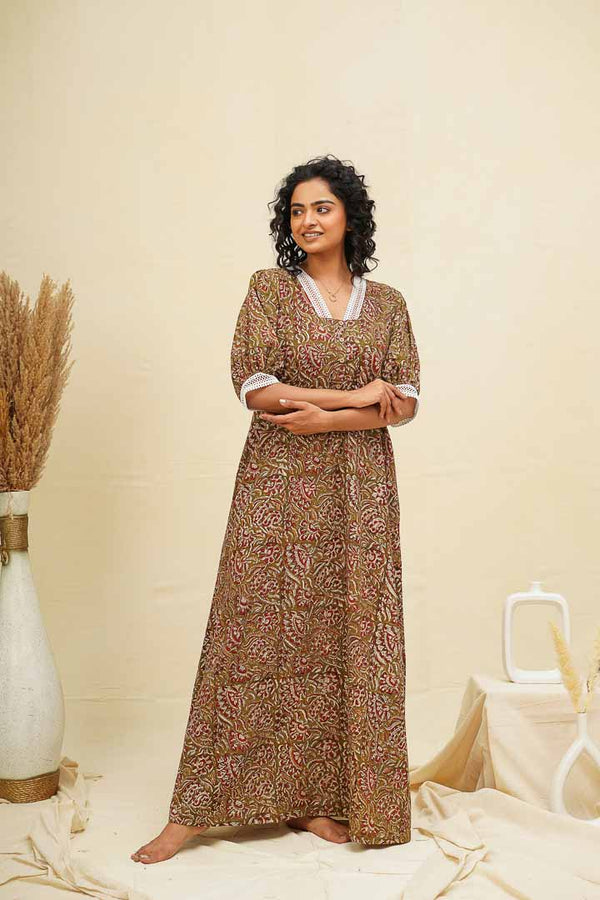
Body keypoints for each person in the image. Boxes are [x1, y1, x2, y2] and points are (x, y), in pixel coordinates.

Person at [131, 154, 420, 864]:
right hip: (277, 481)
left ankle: (310, 799)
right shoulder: (269, 290)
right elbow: (255, 388)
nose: (307, 221)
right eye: (296, 211)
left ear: (350, 216)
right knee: (252, 629)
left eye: (321, 207)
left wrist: (329, 419)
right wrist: (352, 399)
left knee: (342, 634)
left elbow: (406, 402)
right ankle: (193, 811)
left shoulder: (388, 305)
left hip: (360, 491)